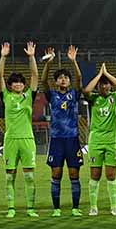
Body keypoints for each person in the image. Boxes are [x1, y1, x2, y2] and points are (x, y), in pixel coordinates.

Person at [40, 46, 85, 217]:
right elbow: (43, 81)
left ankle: (75, 208)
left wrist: (74, 61)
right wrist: (48, 64)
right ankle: (56, 209)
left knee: (74, 174)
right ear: (56, 82)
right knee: (56, 173)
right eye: (60, 78)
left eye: (66, 77)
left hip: (72, 139)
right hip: (57, 139)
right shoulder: (52, 95)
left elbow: (80, 78)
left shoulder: (74, 93)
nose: (64, 79)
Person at [0, 41, 40, 218]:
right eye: (14, 82)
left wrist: (31, 57)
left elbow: (35, 75)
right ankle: (11, 208)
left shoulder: (29, 95)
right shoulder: (6, 96)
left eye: (20, 82)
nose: (18, 84)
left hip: (27, 139)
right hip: (11, 140)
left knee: (29, 176)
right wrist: (3, 57)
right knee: (9, 177)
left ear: (24, 85)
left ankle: (30, 208)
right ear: (10, 85)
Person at [82, 62, 116, 216]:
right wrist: (99, 75)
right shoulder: (93, 99)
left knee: (111, 175)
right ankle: (93, 207)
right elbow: (86, 90)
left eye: (106, 85)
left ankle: (114, 207)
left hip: (112, 141)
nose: (104, 87)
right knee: (95, 175)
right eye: (101, 85)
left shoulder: (115, 97)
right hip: (96, 141)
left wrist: (107, 75)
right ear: (98, 87)